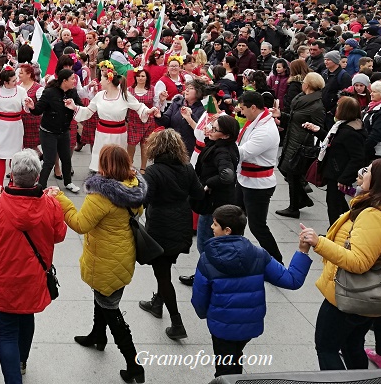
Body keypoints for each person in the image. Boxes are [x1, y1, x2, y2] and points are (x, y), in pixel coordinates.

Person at [51, 144, 145, 384]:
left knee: (111, 309)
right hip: (122, 253)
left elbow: (80, 224)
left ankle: (134, 364)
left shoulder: (102, 195)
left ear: (104, 166)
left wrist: (61, 199)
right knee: (102, 297)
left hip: (105, 257)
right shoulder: (134, 186)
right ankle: (97, 335)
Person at [0, 149, 66, 384]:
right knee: (27, 318)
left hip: (4, 279)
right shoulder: (51, 205)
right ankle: (22, 361)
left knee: (6, 333)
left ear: (11, 175)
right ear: (37, 178)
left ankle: (13, 379)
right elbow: (59, 235)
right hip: (34, 278)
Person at [192, 205, 312, 379]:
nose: (211, 227)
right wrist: (303, 251)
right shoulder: (259, 254)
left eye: (215, 224)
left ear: (227, 230)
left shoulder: (207, 259)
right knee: (235, 356)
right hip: (249, 324)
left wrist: (205, 314)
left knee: (224, 368)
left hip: (222, 326)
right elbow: (291, 280)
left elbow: (200, 297)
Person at [301, 158, 381, 371]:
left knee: (326, 348)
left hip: (348, 297)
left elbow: (359, 262)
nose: (362, 173)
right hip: (362, 299)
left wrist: (319, 243)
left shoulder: (374, 214)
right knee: (351, 345)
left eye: (367, 170)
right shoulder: (371, 205)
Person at [138, 129, 204, 339]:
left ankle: (177, 323)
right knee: (164, 267)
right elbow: (199, 196)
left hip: (160, 228)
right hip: (182, 224)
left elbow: (143, 201)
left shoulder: (154, 172)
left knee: (163, 274)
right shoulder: (187, 168)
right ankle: (157, 304)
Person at [180, 114, 240, 287]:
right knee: (210, 243)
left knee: (205, 244)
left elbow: (227, 175)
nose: (210, 130)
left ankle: (207, 276)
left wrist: (207, 184)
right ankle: (206, 274)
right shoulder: (223, 146)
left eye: (214, 129)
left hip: (214, 204)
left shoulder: (221, 151)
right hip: (219, 202)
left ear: (226, 135)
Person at [71, 61, 159, 173]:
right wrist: (74, 107)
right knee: (101, 161)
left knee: (116, 162)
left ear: (108, 80)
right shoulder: (99, 96)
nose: (100, 82)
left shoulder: (124, 95)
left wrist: (149, 111)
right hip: (101, 134)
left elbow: (139, 107)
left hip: (118, 135)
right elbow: (88, 111)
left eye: (101, 79)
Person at [303, 95, 367, 225]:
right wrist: (318, 131)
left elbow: (357, 158)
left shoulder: (351, 132)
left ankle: (335, 233)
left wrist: (344, 179)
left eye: (339, 107)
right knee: (337, 203)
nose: (336, 109)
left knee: (334, 205)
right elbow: (334, 142)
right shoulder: (342, 126)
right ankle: (343, 228)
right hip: (335, 172)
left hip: (339, 175)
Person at [235, 91, 282, 264]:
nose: (242, 112)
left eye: (243, 109)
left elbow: (244, 152)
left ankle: (277, 262)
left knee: (257, 226)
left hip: (258, 185)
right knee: (235, 220)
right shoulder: (255, 121)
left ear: (253, 107)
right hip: (244, 179)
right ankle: (233, 253)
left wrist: (221, 142)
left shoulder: (265, 130)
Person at [274, 72, 325, 218]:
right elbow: (295, 120)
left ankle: (294, 207)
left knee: (292, 174)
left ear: (307, 85)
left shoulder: (316, 106)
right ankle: (300, 200)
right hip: (292, 140)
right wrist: (281, 116)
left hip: (302, 144)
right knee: (289, 173)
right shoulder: (302, 99)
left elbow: (318, 128)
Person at [24, 68, 82, 191]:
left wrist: (73, 106)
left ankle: (68, 183)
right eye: (72, 79)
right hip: (48, 132)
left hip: (64, 130)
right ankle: (41, 186)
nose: (74, 81)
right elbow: (38, 109)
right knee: (49, 161)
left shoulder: (73, 93)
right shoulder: (50, 92)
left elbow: (81, 107)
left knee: (66, 159)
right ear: (64, 80)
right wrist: (32, 107)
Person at [0, 67, 28, 187]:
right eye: (13, 80)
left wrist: (28, 104)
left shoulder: (22, 91)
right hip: (1, 126)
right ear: (5, 82)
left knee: (15, 157)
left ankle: (13, 183)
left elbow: (25, 106)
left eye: (16, 79)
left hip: (16, 126)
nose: (16, 82)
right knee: (0, 156)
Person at [126, 68, 156, 173]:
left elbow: (156, 104)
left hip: (148, 121)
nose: (140, 78)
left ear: (146, 77)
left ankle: (143, 167)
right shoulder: (129, 90)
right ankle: (129, 164)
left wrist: (161, 100)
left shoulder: (152, 89)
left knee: (145, 145)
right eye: (138, 76)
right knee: (131, 144)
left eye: (143, 76)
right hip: (133, 120)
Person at [362, 80, 381, 161]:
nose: (371, 94)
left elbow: (376, 134)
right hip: (369, 148)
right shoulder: (371, 106)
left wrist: (363, 148)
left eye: (374, 92)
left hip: (378, 153)